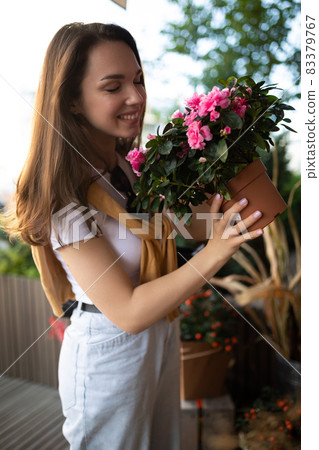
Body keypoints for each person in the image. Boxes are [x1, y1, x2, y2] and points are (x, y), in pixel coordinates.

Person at [4, 22, 263, 449]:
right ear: (71, 100)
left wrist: (223, 217)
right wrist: (215, 252)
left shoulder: (120, 169)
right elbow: (126, 310)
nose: (136, 97)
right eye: (113, 86)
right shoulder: (63, 199)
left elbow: (156, 231)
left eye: (138, 79)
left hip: (157, 337)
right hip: (110, 351)